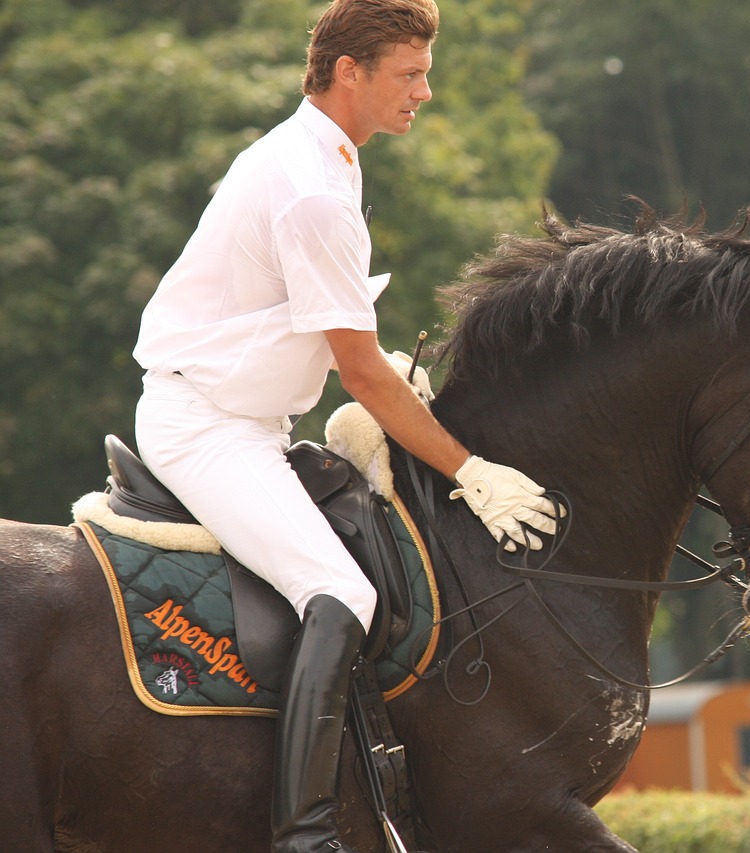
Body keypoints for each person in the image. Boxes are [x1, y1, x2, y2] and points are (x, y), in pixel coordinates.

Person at [131, 1, 559, 850]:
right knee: (343, 590)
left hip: (248, 417)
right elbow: (357, 373)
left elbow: (330, 340)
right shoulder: (313, 191)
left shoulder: (325, 157)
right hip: (206, 428)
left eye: (424, 72)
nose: (425, 93)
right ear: (348, 73)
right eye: (410, 73)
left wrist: (374, 363)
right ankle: (307, 832)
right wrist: (473, 472)